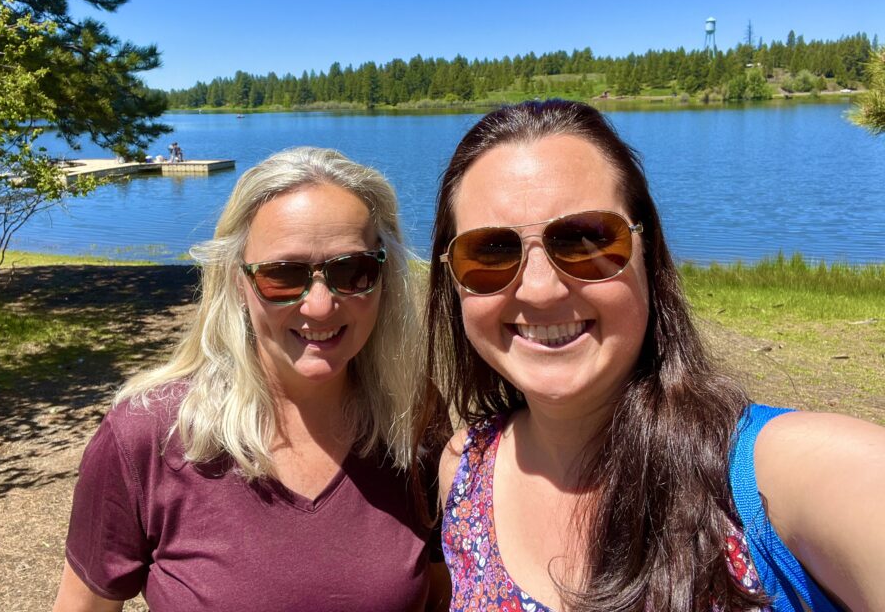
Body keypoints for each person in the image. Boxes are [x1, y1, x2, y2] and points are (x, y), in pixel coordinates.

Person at [424, 99, 885, 611]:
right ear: (453, 283)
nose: (539, 290)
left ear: (649, 252)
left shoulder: (779, 477)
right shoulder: (464, 469)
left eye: (586, 238)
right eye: (489, 252)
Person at [53, 146, 448, 611]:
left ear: (384, 274)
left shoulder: (412, 418)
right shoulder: (148, 436)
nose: (320, 305)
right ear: (237, 281)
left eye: (352, 271)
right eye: (282, 275)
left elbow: (439, 597)